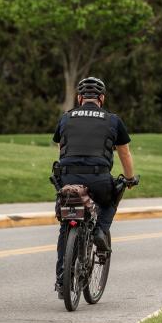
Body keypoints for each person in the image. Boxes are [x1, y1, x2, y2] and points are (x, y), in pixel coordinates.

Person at [52, 77, 137, 299]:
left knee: (65, 224)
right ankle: (100, 230)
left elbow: (61, 148)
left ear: (79, 98)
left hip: (68, 177)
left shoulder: (66, 117)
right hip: (99, 179)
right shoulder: (112, 120)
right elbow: (124, 152)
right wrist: (129, 178)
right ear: (101, 98)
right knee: (110, 200)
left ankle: (62, 281)